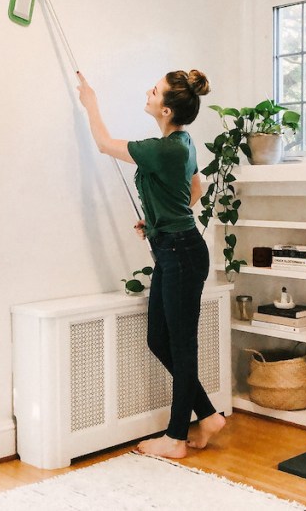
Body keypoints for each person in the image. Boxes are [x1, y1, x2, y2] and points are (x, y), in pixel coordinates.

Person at [77, 69, 226, 459]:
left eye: (154, 89)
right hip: (173, 250)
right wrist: (159, 219)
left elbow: (105, 143)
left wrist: (91, 103)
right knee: (160, 340)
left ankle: (176, 438)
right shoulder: (181, 142)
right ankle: (208, 415)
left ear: (165, 108)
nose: (149, 90)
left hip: (181, 253)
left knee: (180, 346)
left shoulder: (165, 149)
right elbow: (194, 189)